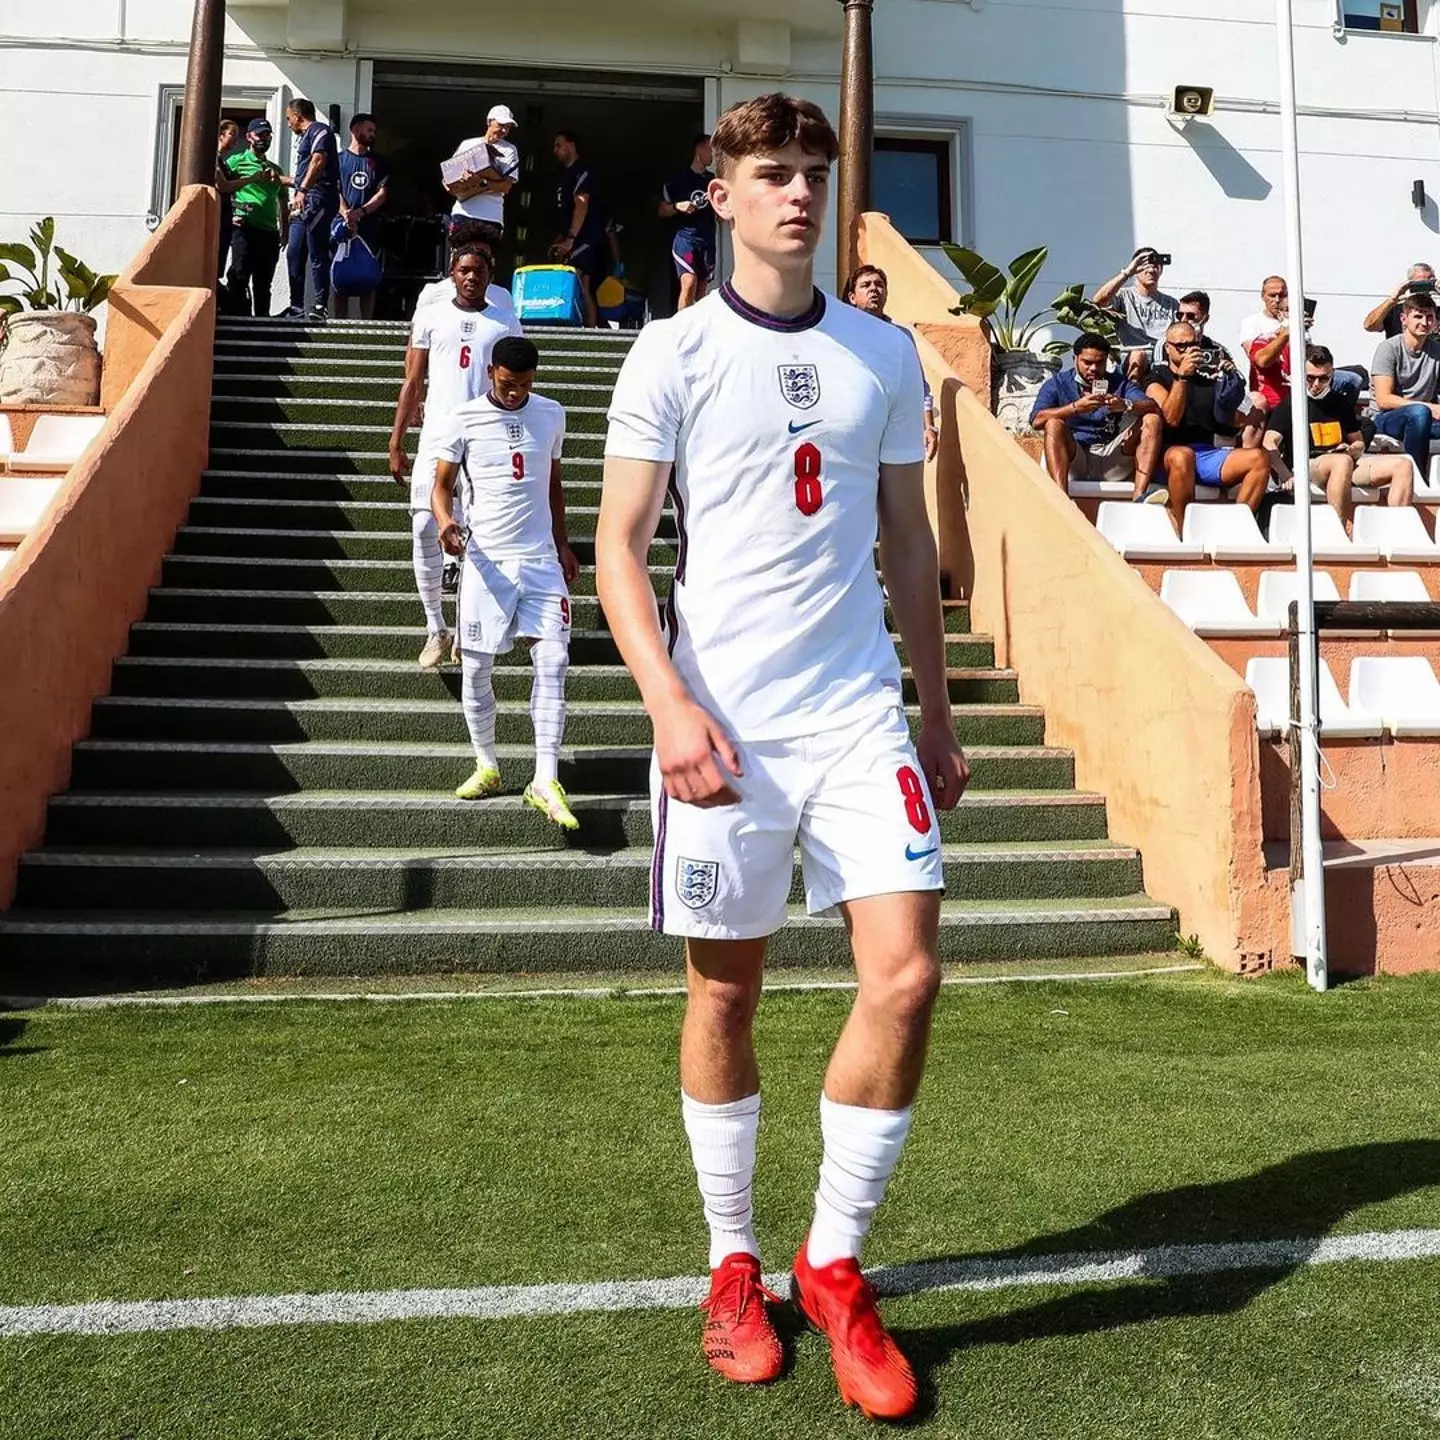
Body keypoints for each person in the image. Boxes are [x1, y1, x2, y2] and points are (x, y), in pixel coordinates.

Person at [597, 92, 969, 1423]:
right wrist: (666, 707)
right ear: (724, 194)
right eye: (772, 172)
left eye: (813, 171)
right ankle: (731, 1261)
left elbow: (912, 548)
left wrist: (935, 709)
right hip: (723, 730)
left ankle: (834, 1264)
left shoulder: (884, 356)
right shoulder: (672, 354)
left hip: (862, 717)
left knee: (909, 975)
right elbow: (621, 549)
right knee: (725, 997)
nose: (799, 192)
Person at [431, 335, 581, 824]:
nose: (516, 392)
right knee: (476, 669)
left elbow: (553, 483)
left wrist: (562, 544)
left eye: (525, 384)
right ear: (492, 372)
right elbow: (442, 486)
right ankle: (488, 763)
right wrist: (446, 523)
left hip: (539, 560)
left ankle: (544, 777)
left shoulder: (551, 413)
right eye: (509, 382)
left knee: (554, 659)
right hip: (486, 563)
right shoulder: (464, 417)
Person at [389, 243, 525, 667]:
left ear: (490, 276)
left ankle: (467, 626)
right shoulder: (432, 315)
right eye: (464, 270)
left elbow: (515, 384)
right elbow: (413, 381)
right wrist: (396, 439)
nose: (471, 277)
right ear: (452, 273)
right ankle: (435, 627)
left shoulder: (505, 320)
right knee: (423, 526)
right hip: (437, 437)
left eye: (479, 271)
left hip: (484, 440)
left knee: (476, 533)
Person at [1264, 346, 1413, 528]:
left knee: (1403, 465)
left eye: (1323, 378)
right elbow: (1268, 442)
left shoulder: (1340, 402)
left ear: (1332, 374)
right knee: (1341, 462)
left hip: (1343, 461)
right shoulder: (1292, 403)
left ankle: (1397, 532)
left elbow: (1357, 441)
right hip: (1308, 464)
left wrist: (1354, 449)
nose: (1316, 384)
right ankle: (1338, 530)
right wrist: (1285, 475)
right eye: (1310, 378)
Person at [1147, 320, 1270, 531]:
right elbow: (1171, 418)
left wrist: (1231, 385)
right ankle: (1184, 528)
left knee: (1258, 459)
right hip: (1168, 455)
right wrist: (1181, 378)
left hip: (1205, 453)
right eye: (1180, 346)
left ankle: (1238, 530)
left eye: (1192, 345)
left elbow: (1229, 424)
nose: (1187, 351)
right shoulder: (1156, 378)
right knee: (1182, 455)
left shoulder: (1208, 379)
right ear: (1168, 348)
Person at [1031, 333, 1162, 500]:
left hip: (1113, 457)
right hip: (1076, 458)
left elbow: (1154, 408)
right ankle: (1061, 501)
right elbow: (1036, 420)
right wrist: (1075, 408)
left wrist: (1126, 405)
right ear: (1075, 359)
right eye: (1087, 362)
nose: (1093, 368)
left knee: (1152, 419)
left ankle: (1140, 497)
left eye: (1099, 363)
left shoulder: (1119, 383)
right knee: (1053, 424)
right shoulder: (1058, 383)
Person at [843, 263, 940, 460]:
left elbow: (918, 387)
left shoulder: (901, 337)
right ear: (852, 297)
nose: (873, 289)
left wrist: (928, 427)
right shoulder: (842, 334)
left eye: (879, 285)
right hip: (854, 431)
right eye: (866, 285)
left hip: (894, 431)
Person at [220, 118, 289, 318]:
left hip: (269, 233)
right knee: (239, 275)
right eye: (260, 135)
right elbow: (222, 190)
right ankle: (238, 319)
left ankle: (262, 322)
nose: (264, 139)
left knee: (263, 282)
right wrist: (230, 215)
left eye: (268, 135)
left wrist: (284, 230)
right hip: (244, 229)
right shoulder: (235, 162)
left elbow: (283, 204)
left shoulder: (276, 170)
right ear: (249, 137)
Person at [281, 98, 340, 321]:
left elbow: (318, 160)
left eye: (288, 119)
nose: (288, 124)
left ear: (297, 115)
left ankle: (319, 306)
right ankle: (296, 307)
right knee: (294, 252)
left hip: (318, 199)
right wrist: (282, 180)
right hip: (302, 201)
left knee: (317, 252)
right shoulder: (306, 137)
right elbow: (304, 172)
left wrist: (303, 190)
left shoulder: (320, 131)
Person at [1371, 293, 1440, 475]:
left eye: (1429, 317)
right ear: (1404, 319)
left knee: (1421, 415)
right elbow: (1383, 400)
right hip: (1386, 418)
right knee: (1419, 413)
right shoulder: (1389, 348)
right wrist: (1429, 407)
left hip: (1425, 420)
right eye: (1418, 316)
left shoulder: (1437, 350)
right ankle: (1416, 477)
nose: (1424, 322)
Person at [333, 113, 390, 321]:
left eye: (374, 131)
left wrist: (362, 212)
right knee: (341, 275)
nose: (372, 135)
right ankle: (340, 322)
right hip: (342, 227)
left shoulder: (379, 162)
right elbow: (334, 190)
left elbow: (382, 193)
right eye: (369, 130)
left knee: (368, 276)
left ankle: (367, 323)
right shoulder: (337, 160)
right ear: (356, 130)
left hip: (369, 227)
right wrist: (346, 213)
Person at [1090, 246, 1178, 379]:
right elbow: (1098, 301)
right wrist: (1127, 273)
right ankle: (1133, 394)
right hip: (1131, 357)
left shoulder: (1172, 303)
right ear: (1136, 270)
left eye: (1155, 265)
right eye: (1144, 265)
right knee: (1139, 355)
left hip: (1163, 358)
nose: (1151, 270)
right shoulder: (1125, 296)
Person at [444, 104, 521, 254]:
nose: (504, 131)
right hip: (463, 213)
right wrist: (459, 181)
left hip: (491, 216)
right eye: (501, 125)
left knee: (485, 262)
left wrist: (481, 181)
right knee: (459, 259)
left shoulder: (510, 150)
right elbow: (448, 177)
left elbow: (506, 187)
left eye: (508, 127)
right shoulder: (468, 144)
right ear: (489, 122)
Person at [552, 131, 608, 328]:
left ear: (571, 145)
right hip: (571, 237)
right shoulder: (563, 176)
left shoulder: (583, 170)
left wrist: (571, 238)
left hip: (585, 238)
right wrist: (560, 238)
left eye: (558, 145)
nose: (555, 150)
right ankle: (586, 329)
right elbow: (565, 212)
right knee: (581, 283)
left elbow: (581, 204)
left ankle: (589, 332)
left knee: (575, 280)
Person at [661, 134, 717, 310]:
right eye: (710, 150)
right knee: (689, 281)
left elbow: (721, 214)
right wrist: (678, 206)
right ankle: (682, 330)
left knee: (701, 289)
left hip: (707, 239)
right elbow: (662, 210)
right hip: (685, 238)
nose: (713, 155)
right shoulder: (677, 178)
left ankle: (700, 333)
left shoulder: (712, 181)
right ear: (699, 150)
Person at [1363, 263, 1436, 338]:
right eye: (1420, 284)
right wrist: (1392, 299)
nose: (1424, 289)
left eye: (1429, 284)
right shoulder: (1395, 311)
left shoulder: (1436, 312)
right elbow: (1369, 326)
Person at [215, 119, 243, 279]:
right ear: (220, 135)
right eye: (232, 133)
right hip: (219, 219)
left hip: (225, 218)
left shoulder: (223, 161)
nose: (235, 139)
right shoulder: (215, 159)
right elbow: (223, 186)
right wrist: (252, 179)